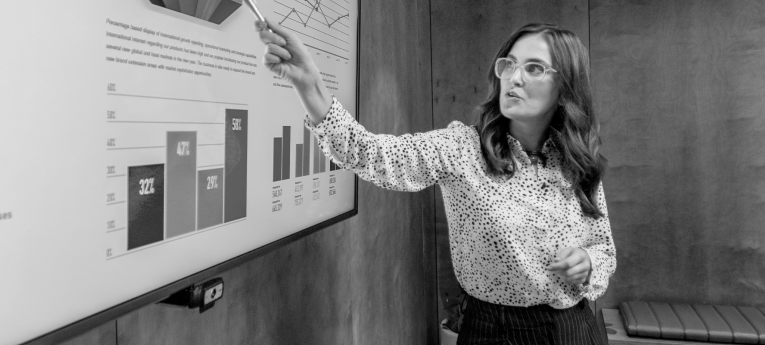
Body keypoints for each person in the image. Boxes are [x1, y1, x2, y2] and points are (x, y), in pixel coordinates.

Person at [255, 19, 616, 345]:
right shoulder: (462, 148)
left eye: (534, 68)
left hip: (571, 329)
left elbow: (604, 250)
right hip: (491, 331)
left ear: (564, 86)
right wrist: (310, 84)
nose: (514, 77)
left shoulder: (577, 162)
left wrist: (587, 261)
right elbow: (373, 154)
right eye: (509, 64)